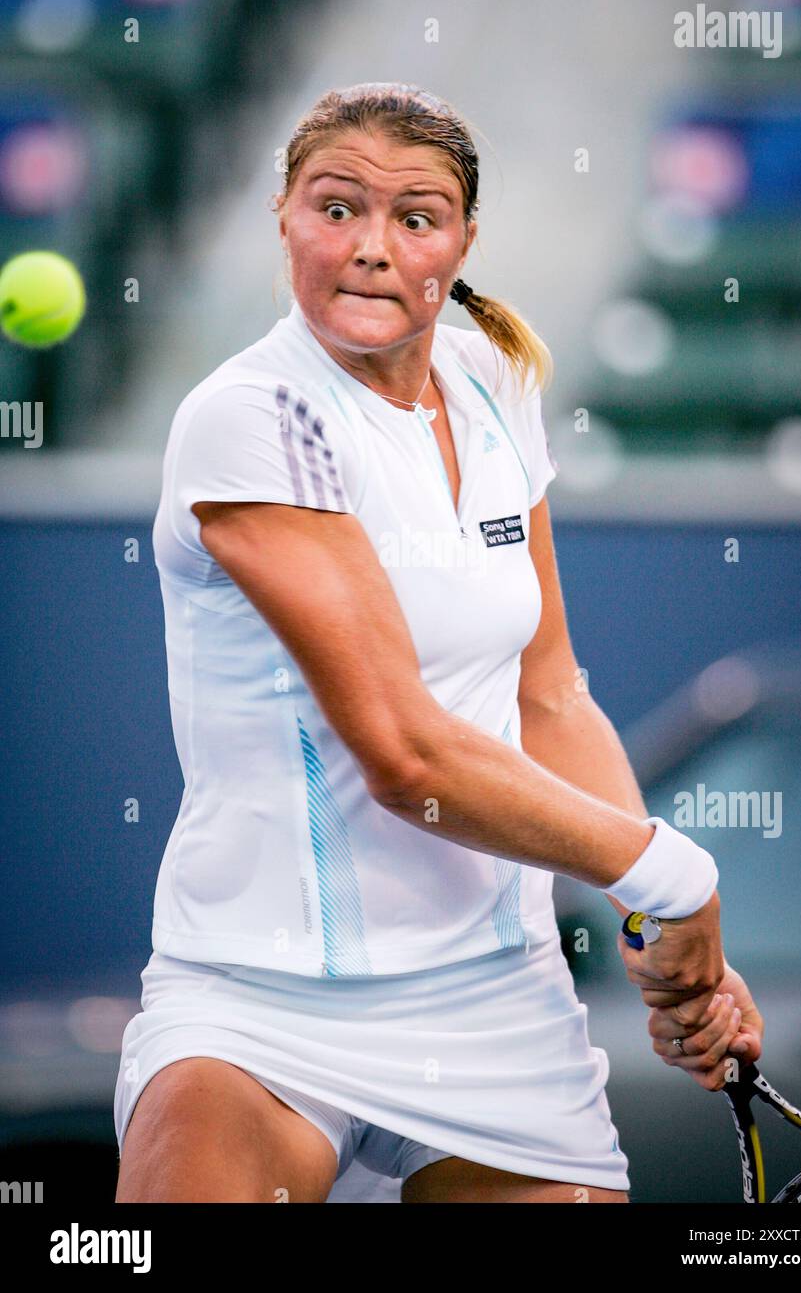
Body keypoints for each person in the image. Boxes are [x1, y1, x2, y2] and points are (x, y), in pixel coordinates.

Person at [114, 82, 763, 1204]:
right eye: (334, 208)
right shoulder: (250, 416)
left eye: (414, 217)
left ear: (459, 242)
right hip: (258, 1003)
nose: (370, 248)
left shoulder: (495, 384)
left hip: (492, 1002)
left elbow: (550, 694)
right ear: (281, 219)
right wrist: (673, 871)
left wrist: (649, 915)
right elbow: (408, 760)